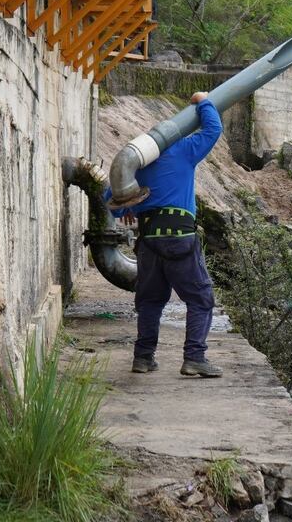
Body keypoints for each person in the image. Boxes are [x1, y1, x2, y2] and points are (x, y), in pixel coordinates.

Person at [108, 91, 224, 377]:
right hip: (180, 239)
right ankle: (194, 357)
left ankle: (143, 358)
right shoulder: (183, 150)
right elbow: (213, 128)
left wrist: (130, 209)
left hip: (148, 242)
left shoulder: (137, 165)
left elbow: (113, 204)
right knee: (200, 298)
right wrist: (203, 100)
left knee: (150, 301)